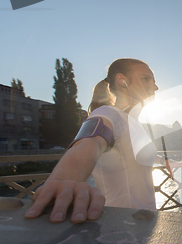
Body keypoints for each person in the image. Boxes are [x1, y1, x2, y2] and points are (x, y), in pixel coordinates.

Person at [25, 58, 172, 223]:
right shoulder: (108, 114)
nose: (155, 87)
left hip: (145, 221)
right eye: (147, 79)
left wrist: (163, 160)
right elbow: (88, 144)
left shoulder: (135, 124)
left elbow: (131, 156)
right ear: (122, 80)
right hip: (121, 223)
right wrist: (61, 184)